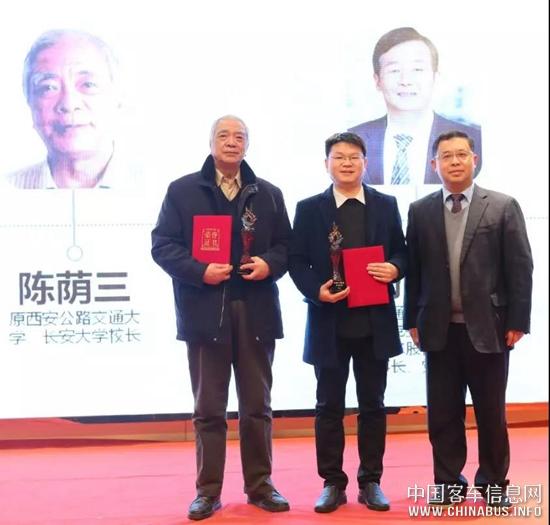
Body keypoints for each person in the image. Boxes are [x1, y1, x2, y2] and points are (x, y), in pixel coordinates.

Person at [151, 115, 291, 521]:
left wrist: (268, 264)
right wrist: (200, 271)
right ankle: (207, 491)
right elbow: (162, 245)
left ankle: (260, 485)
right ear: (211, 142)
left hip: (256, 312)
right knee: (209, 408)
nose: (232, 142)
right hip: (205, 312)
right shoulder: (182, 191)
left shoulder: (268, 194)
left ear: (248, 145)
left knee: (257, 407)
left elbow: (287, 246)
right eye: (224, 135)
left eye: (239, 136)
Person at [404, 130, 533, 507]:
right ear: (434, 164)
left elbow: (520, 268)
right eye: (447, 156)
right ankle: (448, 482)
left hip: (490, 328)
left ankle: (493, 484)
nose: (455, 161)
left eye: (462, 154)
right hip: (438, 329)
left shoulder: (502, 206)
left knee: (491, 413)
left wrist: (518, 320)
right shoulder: (420, 210)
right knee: (443, 413)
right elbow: (415, 270)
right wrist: (412, 318)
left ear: (474, 159)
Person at [289, 132, 406, 513]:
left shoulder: (385, 205)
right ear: (327, 164)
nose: (346, 163)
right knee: (328, 406)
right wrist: (316, 291)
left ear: (365, 163)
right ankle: (332, 482)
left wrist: (395, 268)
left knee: (373, 405)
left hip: (374, 323)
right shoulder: (309, 208)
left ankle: (370, 481)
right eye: (338, 157)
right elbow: (296, 260)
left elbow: (403, 252)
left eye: (354, 157)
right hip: (329, 322)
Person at [349, 27, 482, 185]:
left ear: (435, 77)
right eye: (394, 70)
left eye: (417, 69)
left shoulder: (474, 139)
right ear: (377, 80)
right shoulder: (352, 140)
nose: (405, 81)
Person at [6, 29, 124, 189]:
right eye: (48, 87)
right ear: (29, 101)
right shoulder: (6, 191)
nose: (69, 104)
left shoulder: (155, 187)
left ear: (118, 97)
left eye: (88, 84)